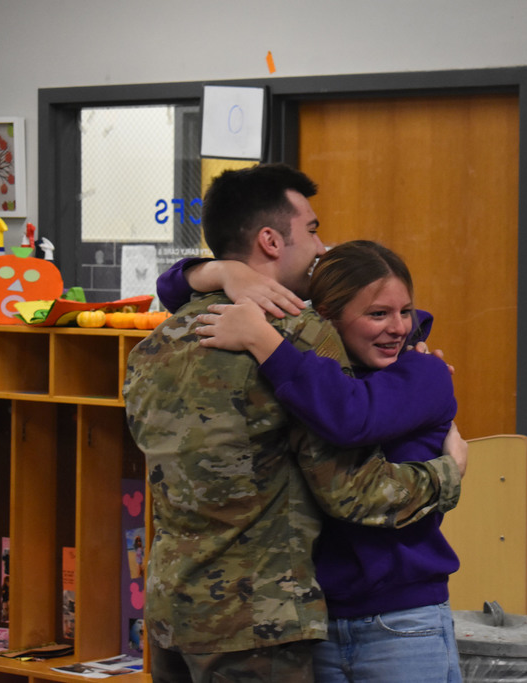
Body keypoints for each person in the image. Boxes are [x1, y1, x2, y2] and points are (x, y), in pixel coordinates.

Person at [124, 163, 466, 683]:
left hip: (172, 609)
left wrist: (218, 271)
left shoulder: (161, 339)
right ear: (269, 239)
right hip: (258, 619)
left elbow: (174, 286)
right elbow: (351, 489)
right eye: (311, 230)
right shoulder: (299, 337)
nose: (322, 246)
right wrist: (448, 473)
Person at [189, 240, 462, 682]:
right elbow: (171, 288)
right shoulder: (319, 375)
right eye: (378, 314)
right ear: (328, 319)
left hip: (403, 620)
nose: (398, 328)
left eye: (405, 311)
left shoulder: (422, 374)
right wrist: (222, 273)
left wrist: (264, 341)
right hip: (314, 624)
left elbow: (350, 417)